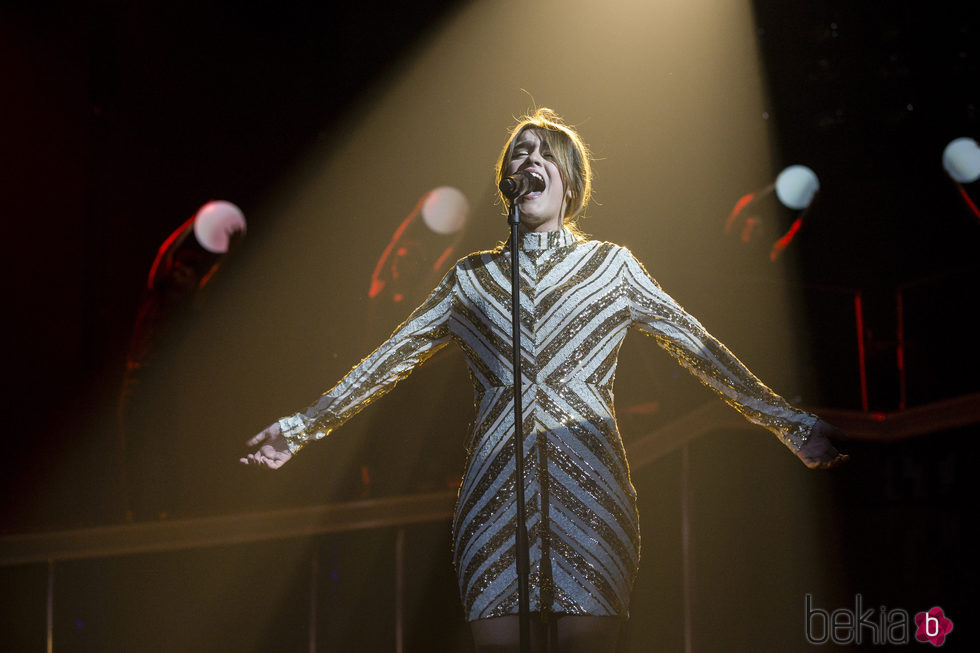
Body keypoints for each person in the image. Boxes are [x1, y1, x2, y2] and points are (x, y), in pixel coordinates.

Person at [241, 109, 847, 652]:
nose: (528, 160)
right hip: (493, 495)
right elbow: (387, 359)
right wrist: (299, 429)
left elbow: (701, 350)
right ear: (506, 181)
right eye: (517, 154)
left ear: (571, 185)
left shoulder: (612, 266)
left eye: (543, 155)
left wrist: (790, 425)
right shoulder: (471, 278)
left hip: (591, 490)